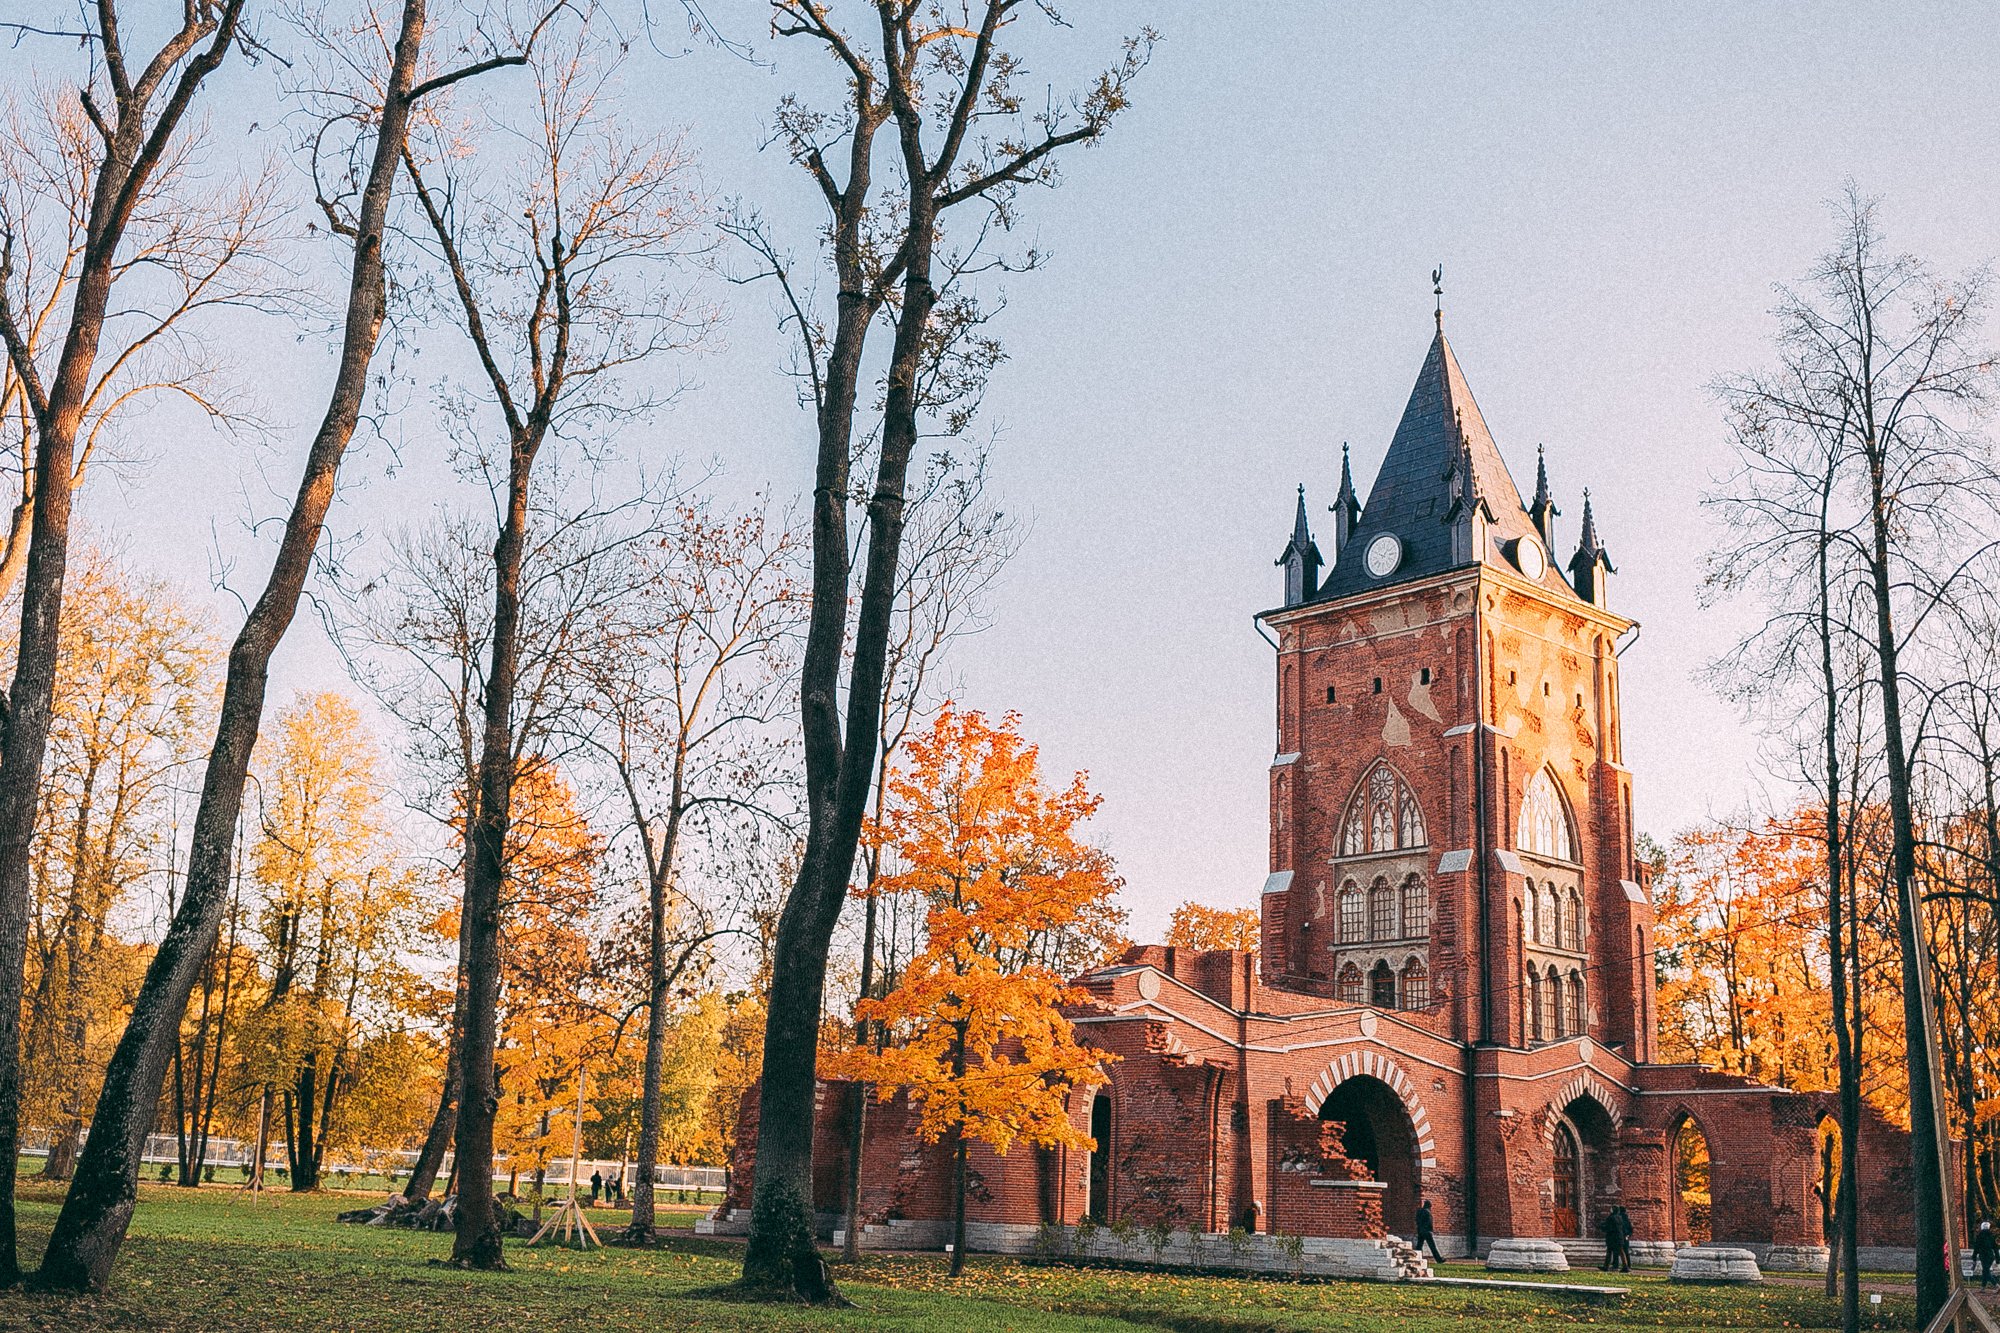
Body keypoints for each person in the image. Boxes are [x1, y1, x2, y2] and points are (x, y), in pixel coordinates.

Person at [1414, 1197, 1444, 1263]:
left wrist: (1420, 1228)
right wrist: (1431, 1230)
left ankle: (1416, 1258)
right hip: (1427, 1231)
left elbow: (1417, 1220)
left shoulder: (1420, 1211)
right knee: (1432, 1246)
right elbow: (1429, 1222)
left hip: (1420, 1231)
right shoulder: (1428, 1212)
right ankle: (1438, 1259)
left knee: (1419, 1246)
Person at [1975, 1219, 1999, 1289]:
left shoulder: (1979, 1237)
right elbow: (1995, 1248)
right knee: (1985, 1270)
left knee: (1986, 1271)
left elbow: (1976, 1248)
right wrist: (1997, 1258)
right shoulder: (1991, 1236)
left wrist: (1974, 1257)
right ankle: (1983, 1286)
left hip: (1983, 1256)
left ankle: (1996, 1285)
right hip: (1990, 1256)